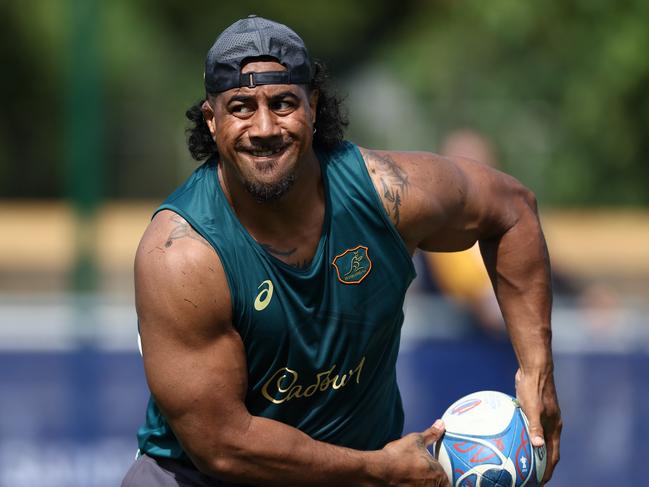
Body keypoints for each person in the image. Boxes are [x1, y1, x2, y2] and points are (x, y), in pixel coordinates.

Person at [122, 15, 561, 487]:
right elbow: (223, 446)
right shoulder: (182, 254)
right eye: (241, 107)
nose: (264, 127)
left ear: (313, 106)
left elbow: (512, 210)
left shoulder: (386, 195)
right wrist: (379, 471)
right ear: (212, 121)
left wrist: (537, 373)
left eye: (283, 102)